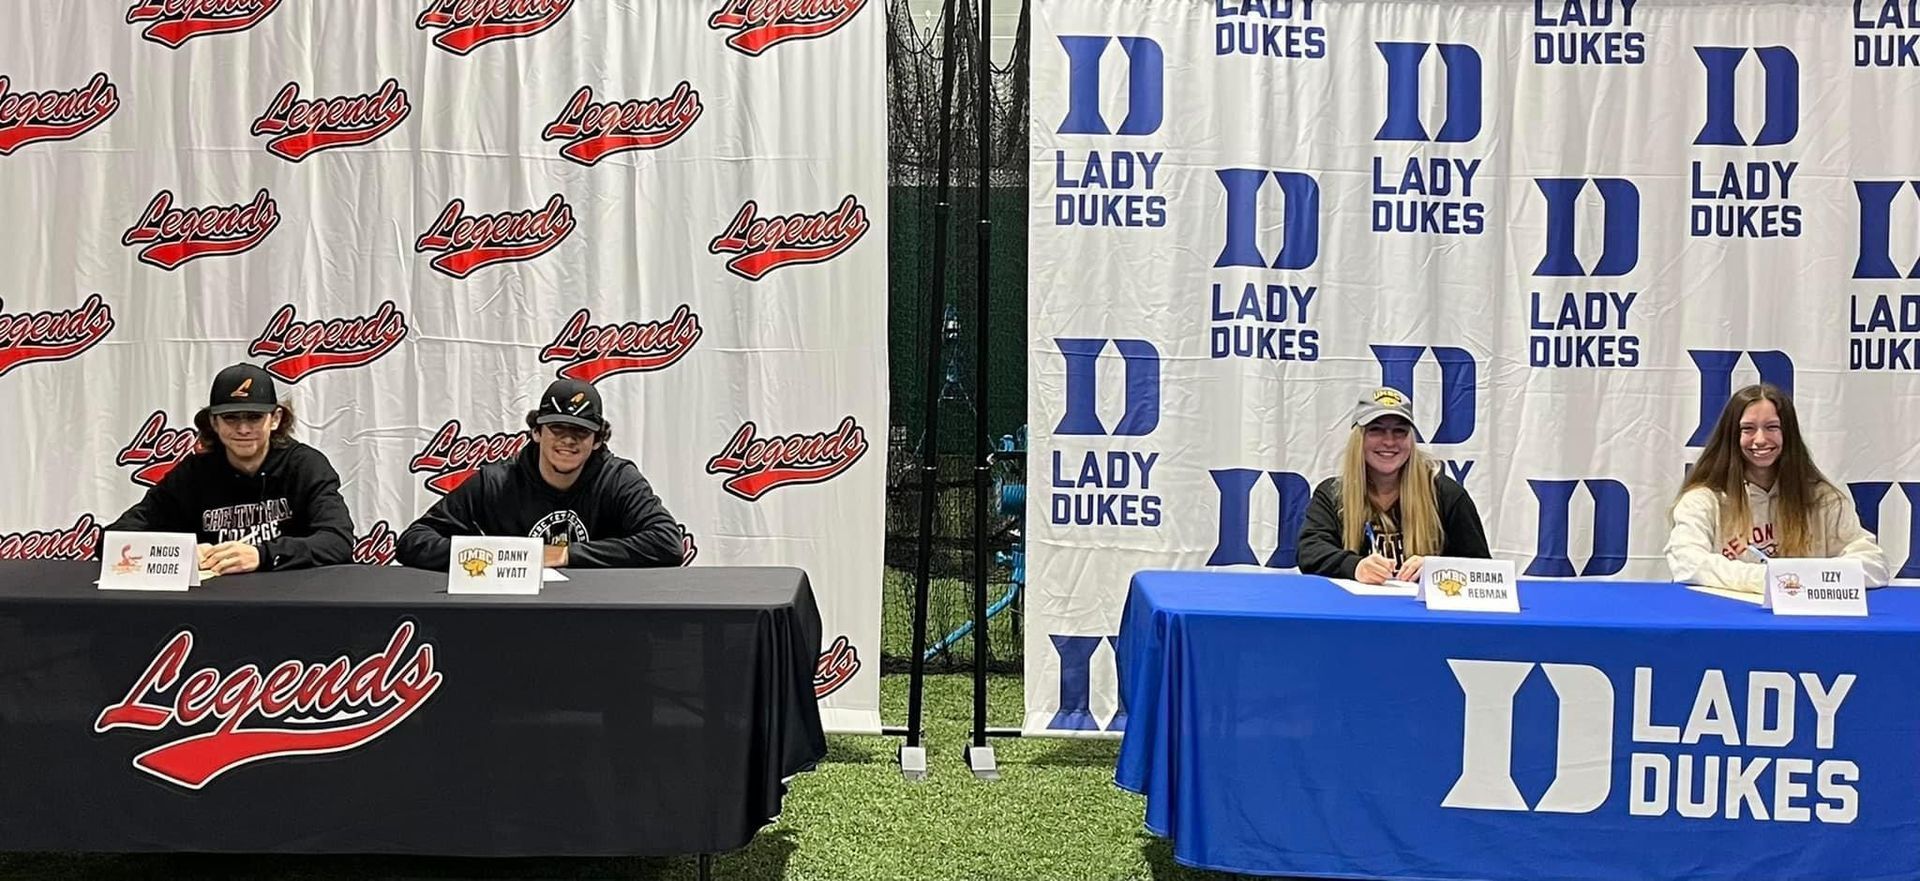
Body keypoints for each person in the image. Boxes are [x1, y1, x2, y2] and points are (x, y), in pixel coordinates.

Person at [397, 379, 683, 570]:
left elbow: (667, 542)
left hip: (601, 617)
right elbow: (414, 541)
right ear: (536, 432)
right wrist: (498, 557)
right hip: (514, 620)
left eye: (581, 432)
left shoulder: (618, 479)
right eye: (557, 428)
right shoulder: (496, 482)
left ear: (597, 440)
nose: (568, 441)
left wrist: (565, 554)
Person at [104, 363, 354, 574]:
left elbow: (338, 541)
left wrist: (262, 555)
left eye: (254, 417)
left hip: (292, 602)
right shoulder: (193, 474)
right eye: (231, 418)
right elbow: (110, 542)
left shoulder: (304, 466)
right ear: (213, 422)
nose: (243, 429)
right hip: (211, 605)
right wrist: (181, 554)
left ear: (276, 419)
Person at [1666, 383, 1888, 592]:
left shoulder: (1823, 499)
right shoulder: (1703, 500)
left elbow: (1874, 564)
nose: (1760, 439)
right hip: (1730, 622)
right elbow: (1687, 563)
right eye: (1748, 429)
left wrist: (1809, 579)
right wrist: (1771, 579)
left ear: (1788, 435)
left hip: (1806, 624)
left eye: (1772, 427)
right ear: (1732, 437)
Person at [1297, 387, 1491, 584]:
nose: (1389, 441)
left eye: (1400, 431)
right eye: (1376, 430)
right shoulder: (1333, 493)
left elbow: (1483, 569)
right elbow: (1310, 552)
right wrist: (1355, 566)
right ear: (1359, 438)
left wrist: (1437, 569)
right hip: (1356, 611)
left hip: (1422, 613)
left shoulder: (1446, 495)